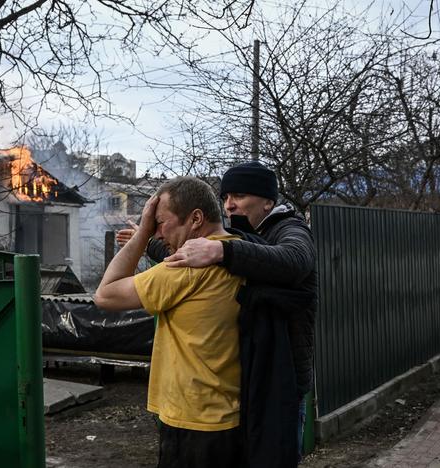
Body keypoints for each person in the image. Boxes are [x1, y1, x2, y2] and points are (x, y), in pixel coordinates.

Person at [117, 161, 316, 467]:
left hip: (281, 381)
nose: (229, 204)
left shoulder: (290, 229)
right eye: (225, 198)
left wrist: (222, 252)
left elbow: (294, 261)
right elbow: (185, 258)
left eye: (238, 195)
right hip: (251, 379)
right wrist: (148, 243)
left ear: (268, 201)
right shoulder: (242, 236)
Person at [95, 176, 245, 468]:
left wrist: (141, 236)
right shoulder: (236, 251)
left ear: (196, 218)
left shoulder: (184, 268)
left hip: (193, 421)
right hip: (227, 416)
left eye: (160, 222)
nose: (157, 232)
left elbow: (106, 294)